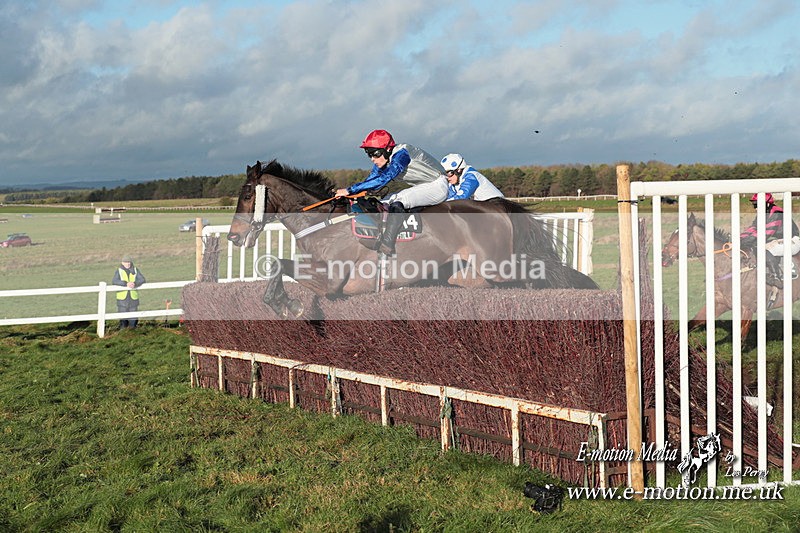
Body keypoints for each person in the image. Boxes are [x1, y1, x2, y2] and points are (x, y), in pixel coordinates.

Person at [334, 129, 448, 254]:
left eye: (375, 154)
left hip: (437, 185)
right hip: (424, 186)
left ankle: (387, 243)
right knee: (383, 202)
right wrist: (351, 194)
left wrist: (349, 190)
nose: (372, 159)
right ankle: (380, 234)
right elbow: (372, 179)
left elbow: (385, 178)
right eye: (369, 154)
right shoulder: (385, 159)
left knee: (398, 201)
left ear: (387, 149)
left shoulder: (402, 154)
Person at [740, 193, 799, 286]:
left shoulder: (777, 213)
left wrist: (746, 241)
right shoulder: (763, 213)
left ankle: (777, 276)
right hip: (778, 240)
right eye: (754, 204)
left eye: (757, 205)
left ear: (767, 204)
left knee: (765, 249)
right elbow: (753, 228)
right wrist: (739, 239)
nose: (755, 208)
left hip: (792, 241)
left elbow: (766, 232)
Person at [440, 153, 504, 201]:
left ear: (459, 170)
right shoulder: (455, 182)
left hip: (497, 204)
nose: (448, 178)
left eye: (449, 173)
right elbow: (449, 197)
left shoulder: (471, 176)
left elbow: (462, 197)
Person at [112, 255, 146, 329]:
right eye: (126, 262)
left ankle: (133, 331)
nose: (128, 264)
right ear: (122, 263)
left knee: (133, 317)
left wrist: (135, 283)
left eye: (129, 262)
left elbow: (142, 279)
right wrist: (125, 284)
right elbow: (114, 281)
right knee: (123, 317)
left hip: (133, 298)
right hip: (122, 299)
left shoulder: (136, 270)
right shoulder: (119, 271)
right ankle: (123, 332)